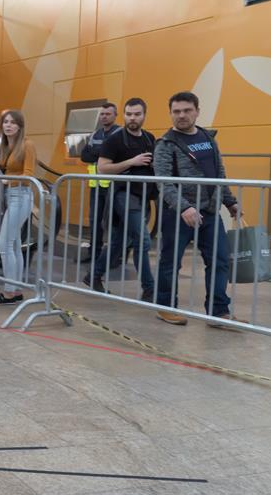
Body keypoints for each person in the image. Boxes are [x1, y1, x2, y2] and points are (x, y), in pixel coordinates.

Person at [153, 91, 242, 327]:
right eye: (176, 111)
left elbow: (218, 174)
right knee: (170, 261)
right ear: (171, 113)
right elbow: (164, 181)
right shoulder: (165, 144)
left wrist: (229, 201)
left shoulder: (208, 138)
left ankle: (218, 311)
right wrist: (184, 207)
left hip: (210, 213)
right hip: (178, 214)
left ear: (197, 111)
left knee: (220, 260)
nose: (181, 115)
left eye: (186, 110)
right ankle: (165, 307)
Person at [83, 98, 156, 301]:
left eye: (137, 114)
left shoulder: (150, 138)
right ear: (124, 115)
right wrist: (131, 162)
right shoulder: (114, 140)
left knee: (118, 242)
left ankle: (94, 275)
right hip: (123, 196)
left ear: (144, 115)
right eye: (129, 114)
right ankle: (149, 288)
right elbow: (102, 168)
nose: (132, 118)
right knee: (142, 239)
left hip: (143, 196)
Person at [0, 110, 37, 305]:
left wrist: (6, 180)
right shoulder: (7, 145)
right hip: (12, 197)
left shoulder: (27, 144)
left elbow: (29, 175)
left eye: (13, 123)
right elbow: (1, 166)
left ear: (20, 126)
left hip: (21, 196)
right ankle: (14, 290)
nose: (8, 125)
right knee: (13, 243)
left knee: (4, 243)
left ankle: (9, 291)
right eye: (5, 122)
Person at [80, 102, 121, 263]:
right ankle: (94, 254)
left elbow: (118, 156)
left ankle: (115, 256)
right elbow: (84, 155)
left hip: (114, 185)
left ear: (115, 115)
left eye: (108, 114)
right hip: (96, 186)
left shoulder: (120, 133)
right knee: (94, 220)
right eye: (102, 114)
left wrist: (98, 153)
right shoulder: (95, 134)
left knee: (114, 222)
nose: (104, 116)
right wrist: (104, 154)